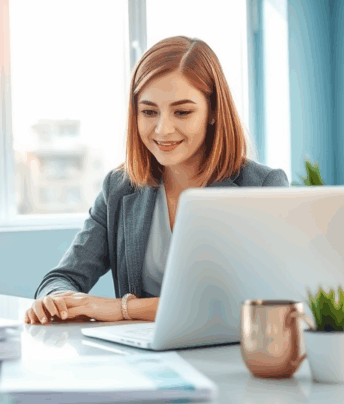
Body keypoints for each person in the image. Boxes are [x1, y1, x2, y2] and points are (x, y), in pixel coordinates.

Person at [24, 36, 288, 325]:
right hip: (144, 360)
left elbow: (254, 301)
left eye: (182, 112)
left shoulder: (261, 186)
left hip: (226, 356)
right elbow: (62, 278)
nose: (162, 129)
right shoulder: (119, 188)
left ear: (213, 111)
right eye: (149, 112)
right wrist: (54, 301)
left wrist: (123, 309)